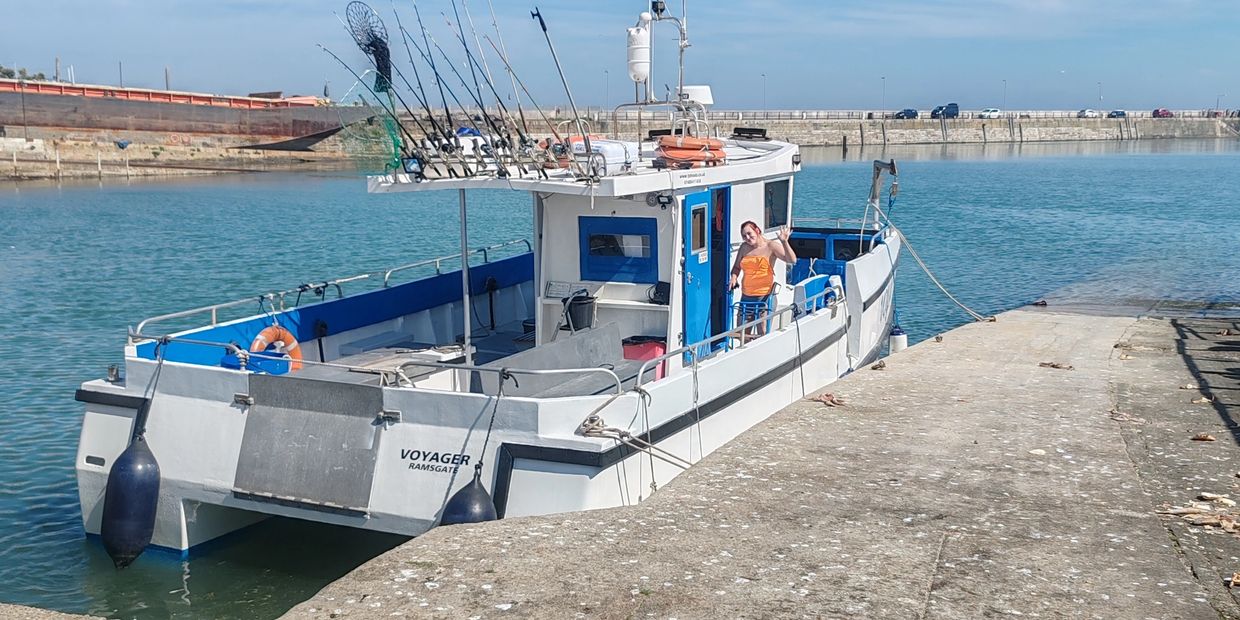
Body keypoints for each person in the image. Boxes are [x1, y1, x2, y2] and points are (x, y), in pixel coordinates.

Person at [729, 221, 796, 338]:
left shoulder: (771, 246)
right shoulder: (744, 247)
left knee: (762, 333)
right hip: (746, 297)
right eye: (744, 236)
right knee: (741, 334)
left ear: (757, 230)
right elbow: (736, 267)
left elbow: (792, 260)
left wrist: (784, 242)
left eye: (749, 233)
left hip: (764, 298)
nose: (748, 238)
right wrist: (734, 278)